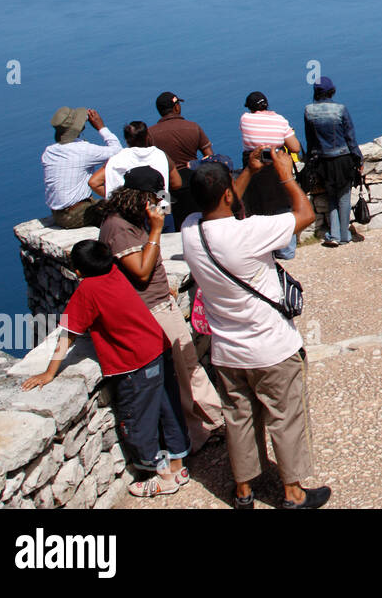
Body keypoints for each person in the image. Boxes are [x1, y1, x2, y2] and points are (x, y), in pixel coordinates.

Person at [181, 150, 330, 509]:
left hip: (228, 351)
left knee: (239, 419)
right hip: (272, 348)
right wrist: (285, 175)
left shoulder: (189, 231)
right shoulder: (250, 232)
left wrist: (246, 172)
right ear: (228, 194)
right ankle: (292, 493)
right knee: (285, 417)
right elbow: (305, 214)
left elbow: (222, 202)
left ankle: (244, 489)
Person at [23, 239, 189, 498]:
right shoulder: (115, 272)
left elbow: (68, 334)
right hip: (158, 347)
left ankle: (163, 477)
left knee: (138, 421)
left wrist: (49, 373)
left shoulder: (87, 290)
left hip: (134, 363)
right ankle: (178, 466)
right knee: (167, 410)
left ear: (77, 271)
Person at [99, 165, 224, 451]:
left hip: (158, 302)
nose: (161, 206)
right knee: (185, 368)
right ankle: (209, 426)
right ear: (144, 198)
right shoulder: (118, 228)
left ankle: (206, 425)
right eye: (157, 200)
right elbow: (141, 271)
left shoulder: (128, 219)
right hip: (151, 310)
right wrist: (156, 229)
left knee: (185, 367)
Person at [239, 92, 302, 260]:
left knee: (258, 212)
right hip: (277, 170)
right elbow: (295, 147)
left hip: (254, 173)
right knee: (284, 209)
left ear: (251, 108)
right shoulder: (280, 120)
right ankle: (287, 251)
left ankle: (265, 252)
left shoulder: (245, 119)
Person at [303, 77, 364, 248]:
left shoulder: (309, 111)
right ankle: (345, 235)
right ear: (332, 91)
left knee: (331, 197)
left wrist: (309, 160)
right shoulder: (340, 110)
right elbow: (350, 138)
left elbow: (310, 140)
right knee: (344, 197)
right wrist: (358, 158)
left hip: (324, 161)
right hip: (343, 159)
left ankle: (334, 235)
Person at [43, 107, 121, 228]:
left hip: (57, 214)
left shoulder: (49, 152)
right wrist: (101, 127)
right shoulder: (83, 150)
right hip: (75, 215)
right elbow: (118, 152)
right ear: (80, 127)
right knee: (122, 208)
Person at [89, 121, 182, 218]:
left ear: (126, 139)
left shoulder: (117, 159)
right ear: (147, 136)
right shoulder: (161, 155)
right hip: (159, 212)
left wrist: (114, 197)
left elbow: (94, 182)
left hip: (126, 214)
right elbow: (177, 183)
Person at [149, 92, 213, 232]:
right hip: (192, 184)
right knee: (195, 224)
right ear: (176, 107)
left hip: (164, 188)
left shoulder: (150, 134)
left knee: (168, 224)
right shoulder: (193, 127)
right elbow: (209, 158)